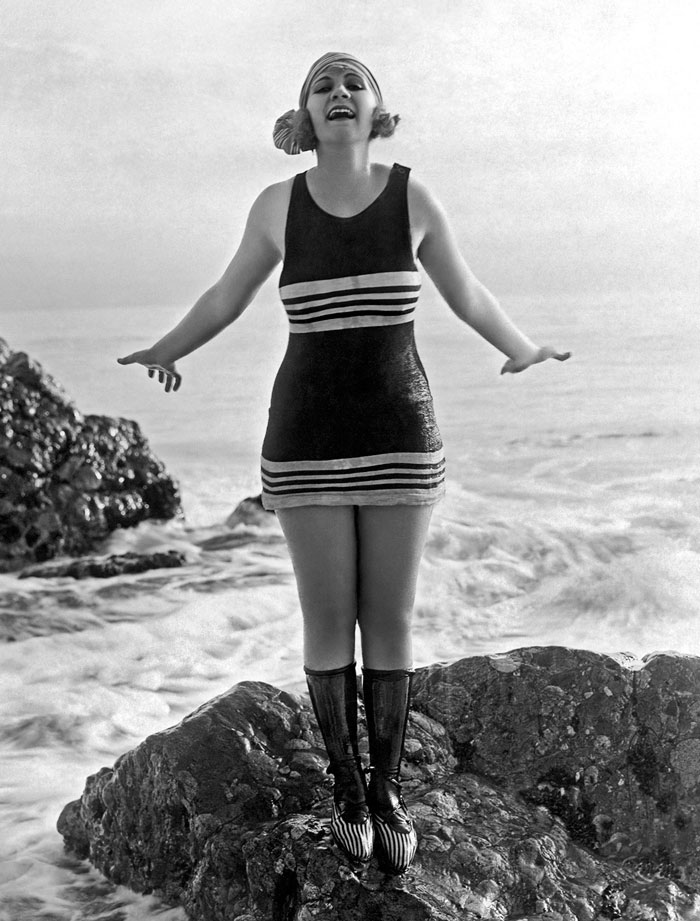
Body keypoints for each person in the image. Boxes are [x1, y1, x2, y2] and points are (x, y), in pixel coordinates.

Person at [118, 51, 570, 874]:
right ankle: (347, 790)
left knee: (389, 618)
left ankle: (388, 791)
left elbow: (467, 292)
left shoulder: (413, 196)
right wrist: (167, 347)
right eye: (321, 85)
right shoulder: (275, 206)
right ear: (305, 115)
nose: (337, 92)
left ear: (377, 110)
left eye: (352, 82)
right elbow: (227, 297)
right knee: (328, 619)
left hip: (402, 431)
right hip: (305, 438)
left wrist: (522, 346)